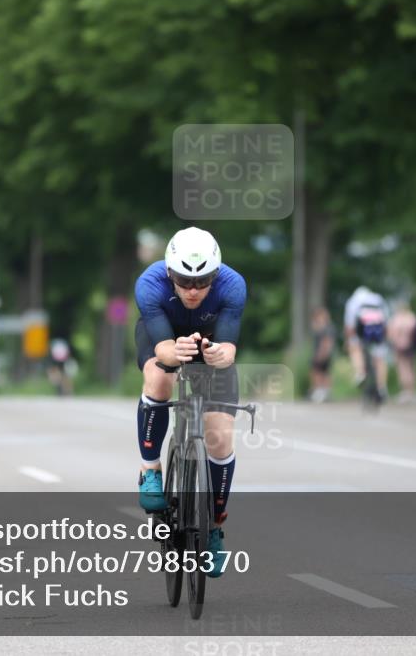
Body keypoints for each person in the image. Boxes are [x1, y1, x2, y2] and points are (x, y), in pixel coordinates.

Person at [133, 226, 246, 578]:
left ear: (217, 274)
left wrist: (219, 355)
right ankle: (150, 470)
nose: (194, 290)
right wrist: (173, 350)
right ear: (169, 273)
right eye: (184, 281)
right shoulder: (150, 284)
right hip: (165, 339)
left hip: (211, 351)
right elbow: (163, 347)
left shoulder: (232, 285)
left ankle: (213, 525)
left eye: (203, 281)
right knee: (158, 376)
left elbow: (229, 348)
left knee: (221, 437)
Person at [343, 286, 390, 402]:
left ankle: (360, 373)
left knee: (355, 347)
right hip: (378, 327)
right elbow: (386, 320)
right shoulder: (378, 298)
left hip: (362, 327)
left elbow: (350, 326)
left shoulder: (353, 301)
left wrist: (348, 342)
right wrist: (384, 339)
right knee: (379, 359)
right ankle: (381, 387)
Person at [386, 301, 416, 402]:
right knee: (412, 367)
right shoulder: (412, 317)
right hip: (412, 346)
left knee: (402, 368)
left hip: (399, 346)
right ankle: (413, 390)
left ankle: (405, 390)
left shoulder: (396, 319)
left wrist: (393, 342)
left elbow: (391, 333)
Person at [309, 307, 335, 403]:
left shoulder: (326, 328)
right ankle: (323, 391)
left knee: (318, 372)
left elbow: (326, 342)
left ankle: (321, 391)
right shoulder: (325, 327)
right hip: (323, 352)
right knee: (323, 372)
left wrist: (322, 353)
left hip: (321, 353)